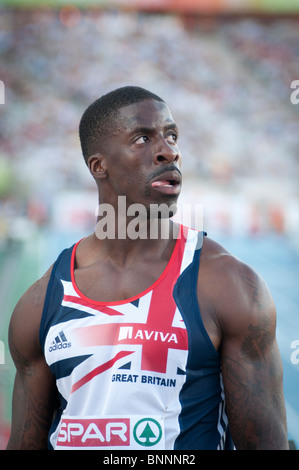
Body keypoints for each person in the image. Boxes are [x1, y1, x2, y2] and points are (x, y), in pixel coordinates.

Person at [6, 86, 288, 450]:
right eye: (143, 138)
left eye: (172, 136)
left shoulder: (229, 284)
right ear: (98, 165)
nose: (169, 151)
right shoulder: (41, 303)